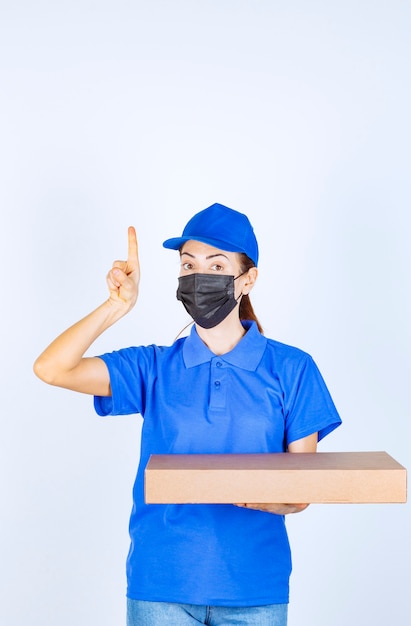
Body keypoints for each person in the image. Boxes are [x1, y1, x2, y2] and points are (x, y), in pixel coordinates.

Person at [34, 202, 342, 626]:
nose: (200, 277)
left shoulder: (293, 369)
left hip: (255, 587)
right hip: (161, 585)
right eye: (188, 264)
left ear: (247, 279)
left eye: (217, 266)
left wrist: (253, 493)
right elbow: (52, 369)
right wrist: (115, 307)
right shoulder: (153, 367)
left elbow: (300, 490)